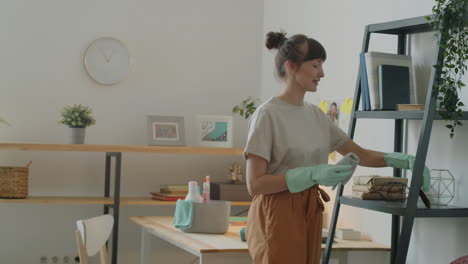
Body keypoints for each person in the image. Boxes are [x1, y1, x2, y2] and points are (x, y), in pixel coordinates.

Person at [243, 31, 431, 264]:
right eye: (315, 65)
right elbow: (255, 184)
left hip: (310, 208)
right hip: (277, 211)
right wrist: (312, 173)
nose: (322, 73)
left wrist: (404, 160)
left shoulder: (316, 116)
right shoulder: (267, 115)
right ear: (292, 66)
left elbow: (361, 154)